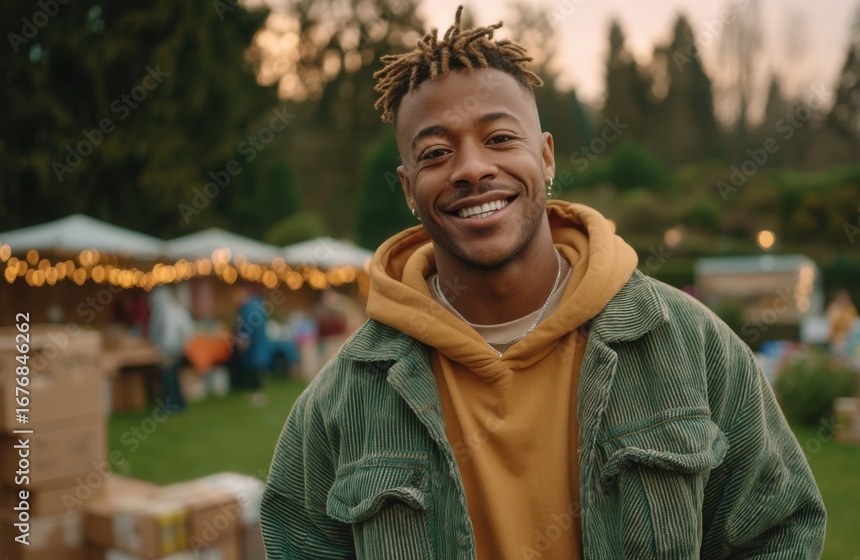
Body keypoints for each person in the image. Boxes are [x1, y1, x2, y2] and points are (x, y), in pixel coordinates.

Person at [260, 7, 826, 558]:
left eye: (500, 138)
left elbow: (780, 530)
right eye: (436, 152)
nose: (472, 168)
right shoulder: (342, 401)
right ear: (409, 189)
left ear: (547, 156)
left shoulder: (689, 345)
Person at [148, 285, 195, 411]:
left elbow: (169, 334)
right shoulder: (176, 308)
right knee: (174, 377)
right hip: (178, 348)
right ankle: (180, 404)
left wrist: (165, 352)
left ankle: (172, 405)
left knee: (169, 379)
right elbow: (189, 329)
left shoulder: (166, 312)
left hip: (170, 349)